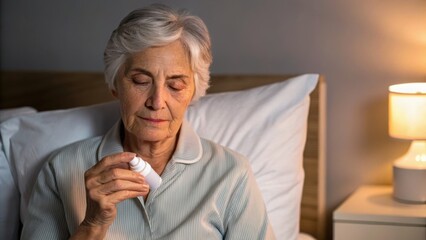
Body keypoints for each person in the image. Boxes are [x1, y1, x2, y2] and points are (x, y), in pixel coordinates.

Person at [21, 4, 275, 240]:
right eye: (141, 81)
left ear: (193, 92)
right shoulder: (62, 168)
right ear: (115, 85)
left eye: (175, 86)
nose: (157, 101)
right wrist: (92, 225)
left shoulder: (230, 173)